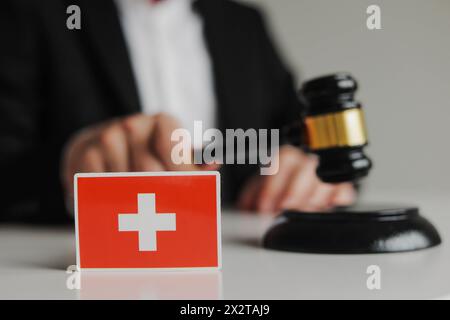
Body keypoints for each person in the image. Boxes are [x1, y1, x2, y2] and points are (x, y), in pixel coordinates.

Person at [0, 0, 355, 223]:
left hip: (244, 266)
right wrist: (66, 164)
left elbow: (312, 144)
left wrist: (307, 173)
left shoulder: (244, 25)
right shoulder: (31, 12)